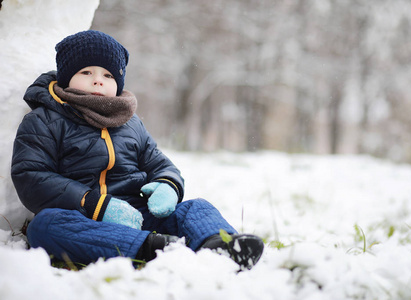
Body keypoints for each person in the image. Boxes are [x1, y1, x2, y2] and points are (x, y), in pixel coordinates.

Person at [11, 30, 263, 270]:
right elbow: (32, 176)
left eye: (109, 75)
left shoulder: (130, 123)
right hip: (83, 215)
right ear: (66, 77)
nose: (98, 79)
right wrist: (95, 204)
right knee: (44, 226)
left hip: (137, 214)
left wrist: (168, 184)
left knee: (195, 208)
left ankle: (221, 248)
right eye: (86, 71)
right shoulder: (44, 120)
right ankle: (151, 249)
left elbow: (158, 163)